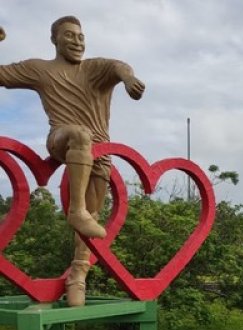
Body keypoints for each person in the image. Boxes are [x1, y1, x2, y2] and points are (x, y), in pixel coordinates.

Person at [0, 16, 145, 306]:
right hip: (61, 139)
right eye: (69, 35)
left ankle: (77, 275)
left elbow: (119, 66)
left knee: (93, 220)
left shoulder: (95, 69)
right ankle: (76, 210)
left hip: (99, 157)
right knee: (80, 135)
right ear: (55, 40)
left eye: (80, 36)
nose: (77, 41)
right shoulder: (40, 70)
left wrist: (129, 78)